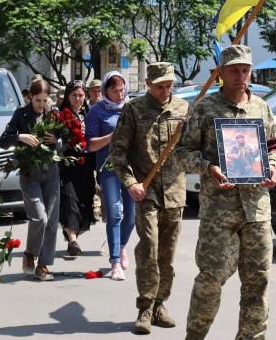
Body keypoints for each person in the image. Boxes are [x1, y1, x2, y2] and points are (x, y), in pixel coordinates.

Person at [175, 45, 276, 340]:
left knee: (257, 283)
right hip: (219, 211)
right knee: (210, 279)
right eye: (233, 69)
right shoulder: (205, 108)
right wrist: (209, 167)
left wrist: (274, 168)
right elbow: (181, 153)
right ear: (220, 73)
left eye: (245, 69)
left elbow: (274, 147)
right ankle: (195, 335)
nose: (240, 75)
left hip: (257, 209)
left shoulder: (261, 108)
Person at [108, 62, 189, 334]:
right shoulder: (134, 110)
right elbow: (117, 153)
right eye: (160, 86)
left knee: (167, 254)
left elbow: (194, 146)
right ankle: (144, 306)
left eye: (169, 86)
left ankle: (160, 305)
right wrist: (130, 183)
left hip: (175, 192)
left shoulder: (183, 109)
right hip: (147, 190)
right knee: (150, 248)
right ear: (148, 84)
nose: (166, 91)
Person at [0, 78, 60, 281]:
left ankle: (43, 265)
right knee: (39, 217)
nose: (41, 105)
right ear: (30, 97)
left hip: (50, 171)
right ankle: (29, 254)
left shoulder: (54, 114)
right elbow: (2, 141)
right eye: (38, 100)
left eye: (45, 100)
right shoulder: (21, 114)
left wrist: (57, 141)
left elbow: (68, 143)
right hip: (28, 172)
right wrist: (20, 137)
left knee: (51, 221)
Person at [86, 71, 135, 281]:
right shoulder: (96, 112)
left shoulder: (131, 108)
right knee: (115, 212)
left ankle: (121, 245)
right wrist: (111, 137)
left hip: (131, 169)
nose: (120, 94)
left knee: (132, 216)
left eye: (122, 89)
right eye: (115, 90)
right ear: (105, 91)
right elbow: (90, 145)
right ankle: (115, 261)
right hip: (108, 168)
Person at [58, 80, 95, 256]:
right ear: (68, 96)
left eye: (81, 95)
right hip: (67, 164)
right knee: (69, 200)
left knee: (82, 201)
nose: (78, 99)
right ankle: (73, 241)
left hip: (85, 165)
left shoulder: (89, 114)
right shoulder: (60, 115)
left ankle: (72, 236)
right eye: (74, 95)